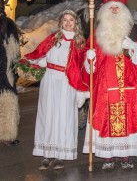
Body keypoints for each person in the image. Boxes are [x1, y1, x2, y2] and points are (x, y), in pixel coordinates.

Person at [82, 0, 137, 170]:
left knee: (127, 119)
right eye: (110, 6)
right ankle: (107, 156)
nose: (113, 9)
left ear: (123, 10)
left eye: (117, 6)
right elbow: (87, 61)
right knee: (105, 118)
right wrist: (89, 58)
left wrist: (134, 47)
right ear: (103, 9)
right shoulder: (97, 33)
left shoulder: (133, 31)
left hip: (127, 85)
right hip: (104, 86)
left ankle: (125, 156)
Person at [24, 10, 89, 170]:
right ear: (61, 22)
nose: (68, 23)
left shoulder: (80, 42)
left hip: (68, 83)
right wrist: (40, 62)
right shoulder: (53, 39)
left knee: (64, 117)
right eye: (65, 20)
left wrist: (90, 58)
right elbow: (39, 54)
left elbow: (84, 69)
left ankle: (61, 155)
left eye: (71, 20)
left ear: (76, 23)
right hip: (50, 81)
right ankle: (47, 154)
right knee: (48, 116)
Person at [0, 9, 20, 146]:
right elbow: (14, 53)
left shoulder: (8, 25)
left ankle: (6, 135)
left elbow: (13, 52)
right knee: (8, 102)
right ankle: (6, 135)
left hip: (5, 70)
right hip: (5, 73)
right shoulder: (9, 25)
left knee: (7, 102)